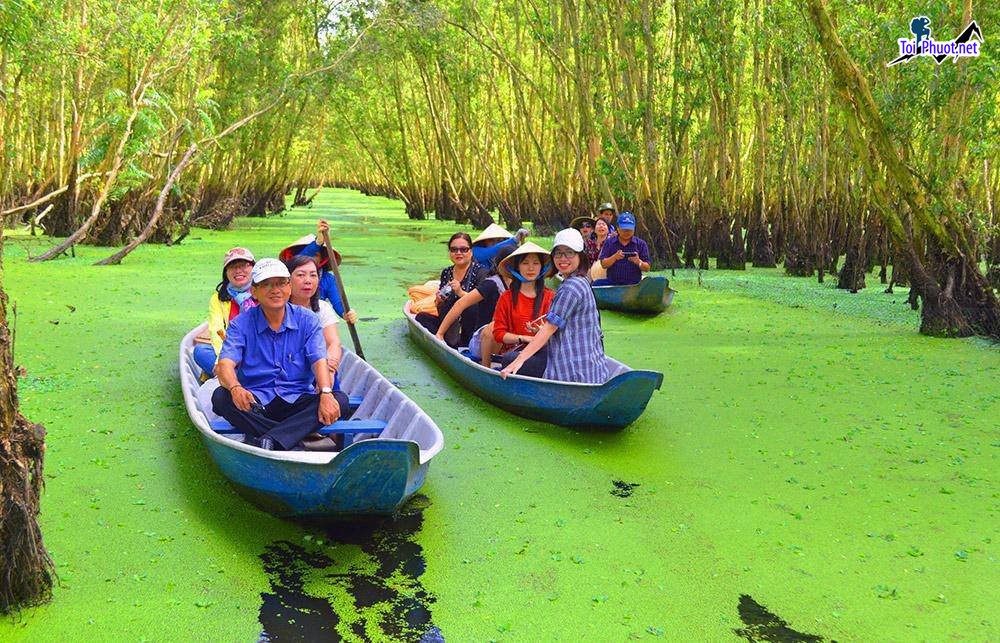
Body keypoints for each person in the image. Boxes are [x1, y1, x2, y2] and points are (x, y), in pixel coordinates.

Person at [211, 258, 346, 451]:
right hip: (256, 403)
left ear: (289, 287)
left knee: (340, 399)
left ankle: (271, 439)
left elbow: (318, 359)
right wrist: (235, 388)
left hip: (296, 399)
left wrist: (325, 392)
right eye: (266, 284)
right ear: (254, 292)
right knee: (221, 397)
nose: (275, 290)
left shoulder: (308, 320)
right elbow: (225, 363)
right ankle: (292, 435)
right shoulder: (240, 324)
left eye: (281, 283)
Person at [500, 228, 608, 384]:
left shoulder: (571, 287)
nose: (563, 258)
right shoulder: (581, 280)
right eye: (558, 253)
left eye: (569, 253)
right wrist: (539, 332)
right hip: (590, 367)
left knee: (510, 358)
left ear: (580, 255)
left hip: (574, 372)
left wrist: (518, 362)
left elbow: (550, 327)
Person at [286, 254, 352, 450]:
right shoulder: (278, 307)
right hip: (288, 368)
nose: (308, 281)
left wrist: (329, 370)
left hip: (319, 366)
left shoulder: (322, 308)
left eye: (313, 275)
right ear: (288, 279)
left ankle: (333, 439)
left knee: (334, 390)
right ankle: (310, 426)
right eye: (301, 275)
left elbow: (333, 343)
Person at [435, 244, 516, 366]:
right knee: (496, 325)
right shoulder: (491, 284)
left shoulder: (522, 285)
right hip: (483, 341)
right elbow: (460, 304)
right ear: (501, 265)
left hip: (510, 339)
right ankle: (486, 366)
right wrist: (440, 334)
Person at [492, 242, 557, 376]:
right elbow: (499, 334)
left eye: (536, 263)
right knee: (509, 359)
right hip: (516, 352)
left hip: (543, 353)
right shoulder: (506, 298)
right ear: (517, 267)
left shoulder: (551, 297)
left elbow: (558, 333)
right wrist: (525, 338)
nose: (531, 268)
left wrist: (541, 333)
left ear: (542, 267)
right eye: (525, 263)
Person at [415, 232, 489, 347]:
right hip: (448, 323)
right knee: (421, 317)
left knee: (469, 309)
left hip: (471, 325)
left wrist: (461, 292)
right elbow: (441, 302)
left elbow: (484, 305)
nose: (458, 253)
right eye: (454, 249)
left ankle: (456, 341)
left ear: (471, 251)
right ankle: (448, 338)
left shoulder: (481, 272)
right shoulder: (447, 272)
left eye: (463, 249)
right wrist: (438, 300)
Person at [279, 219, 360, 324]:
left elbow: (337, 303)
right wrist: (318, 243)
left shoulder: (328, 279)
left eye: (315, 255)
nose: (310, 260)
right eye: (309, 253)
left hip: (314, 322)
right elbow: (301, 258)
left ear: (322, 259)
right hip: (288, 319)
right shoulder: (288, 274)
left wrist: (347, 313)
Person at [193, 247, 258, 377]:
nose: (238, 270)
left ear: (254, 269)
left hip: (260, 354)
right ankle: (232, 376)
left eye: (244, 265)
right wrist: (222, 360)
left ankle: (231, 377)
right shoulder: (218, 299)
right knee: (201, 351)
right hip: (230, 352)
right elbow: (216, 331)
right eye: (233, 266)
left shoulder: (264, 291)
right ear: (226, 273)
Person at [595, 211, 651, 286]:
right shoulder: (609, 243)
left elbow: (647, 268)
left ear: (634, 228)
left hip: (634, 284)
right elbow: (604, 264)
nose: (627, 232)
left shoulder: (641, 244)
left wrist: (638, 262)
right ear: (618, 228)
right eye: (624, 229)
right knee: (596, 284)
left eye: (629, 230)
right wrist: (614, 257)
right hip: (613, 283)